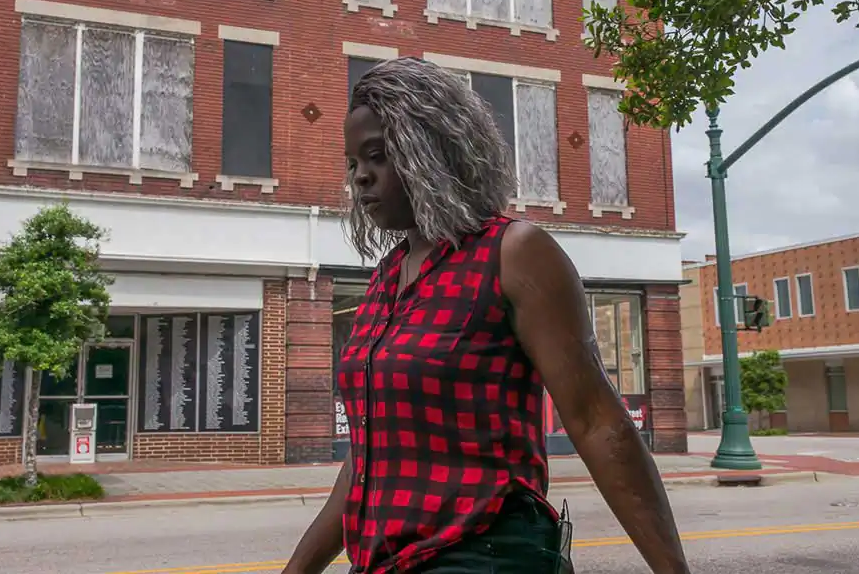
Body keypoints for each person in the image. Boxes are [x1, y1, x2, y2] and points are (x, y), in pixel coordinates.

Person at [282, 57, 690, 574]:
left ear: (433, 150)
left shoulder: (513, 252)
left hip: (485, 555)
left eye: (379, 155)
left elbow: (597, 421)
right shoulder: (387, 279)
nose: (361, 175)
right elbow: (369, 458)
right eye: (353, 163)